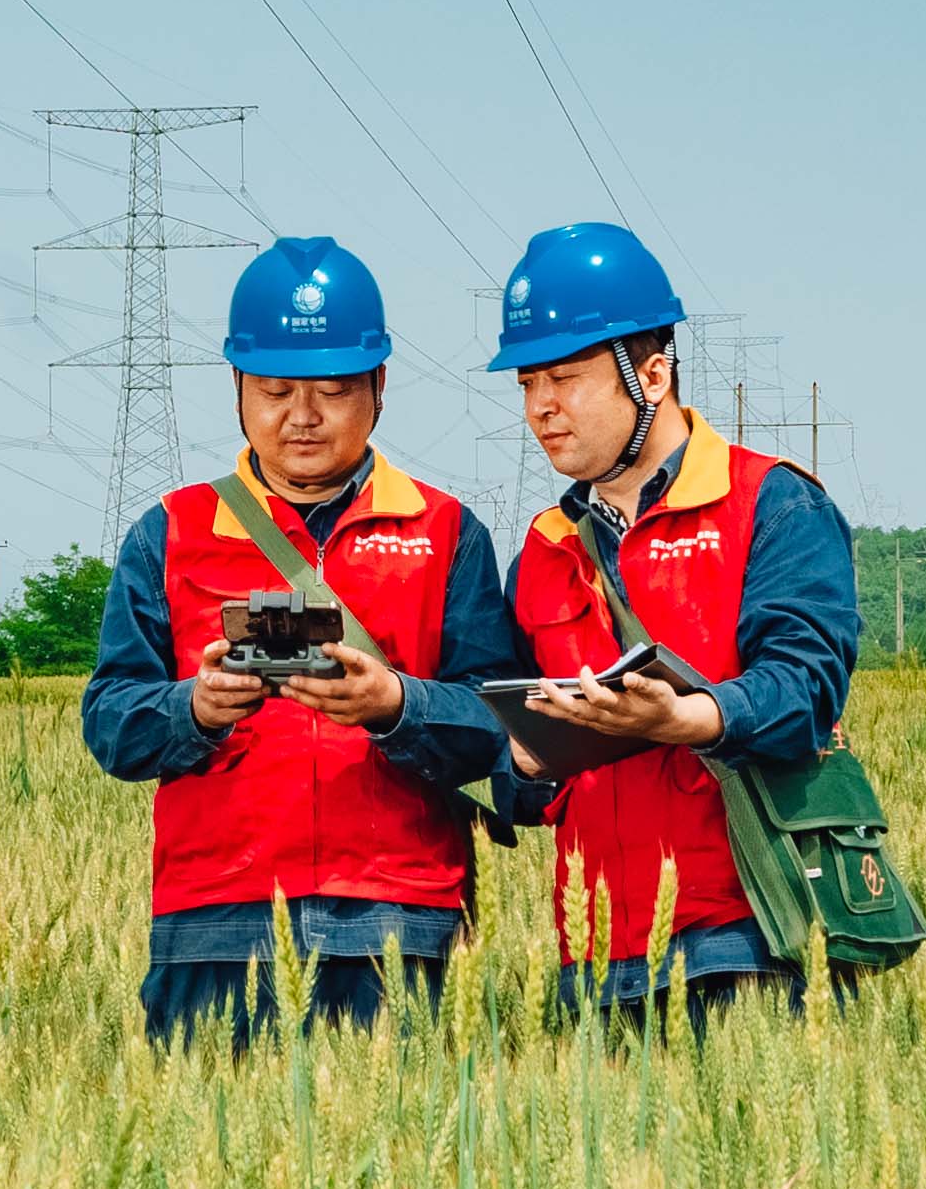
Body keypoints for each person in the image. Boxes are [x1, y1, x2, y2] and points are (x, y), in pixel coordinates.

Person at [80, 235, 517, 1047]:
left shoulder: (447, 532)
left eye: (333, 390)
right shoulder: (170, 533)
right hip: (215, 918)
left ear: (379, 388)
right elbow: (110, 721)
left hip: (398, 916)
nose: (303, 416)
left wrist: (395, 705)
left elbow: (500, 724)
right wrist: (196, 709)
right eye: (276, 389)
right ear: (239, 388)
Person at [485, 220, 863, 1022]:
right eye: (526, 383)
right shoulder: (544, 551)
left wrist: (687, 717)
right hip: (592, 957)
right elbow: (510, 785)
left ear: (652, 374)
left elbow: (807, 686)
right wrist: (521, 761)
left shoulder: (771, 503)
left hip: (753, 937)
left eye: (565, 377)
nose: (541, 407)